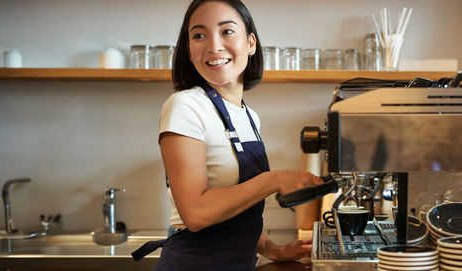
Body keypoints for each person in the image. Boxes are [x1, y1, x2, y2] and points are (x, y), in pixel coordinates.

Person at [131, 0, 324, 270]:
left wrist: (272, 249)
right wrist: (274, 179)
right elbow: (196, 213)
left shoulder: (249, 116)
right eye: (199, 35)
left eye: (227, 31)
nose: (213, 46)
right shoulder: (185, 106)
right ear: (189, 50)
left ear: (251, 43)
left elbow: (233, 212)